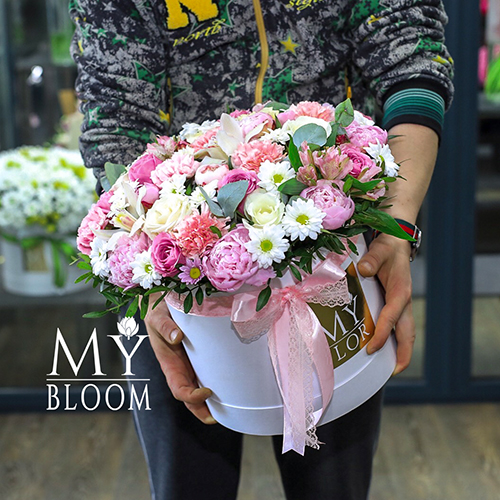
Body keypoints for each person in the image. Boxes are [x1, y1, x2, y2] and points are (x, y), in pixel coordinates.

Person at [70, 1, 454, 498]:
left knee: (332, 485)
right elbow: (117, 116)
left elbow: (410, 57)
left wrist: (395, 227)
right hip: (178, 273)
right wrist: (149, 279)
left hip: (330, 254)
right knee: (188, 483)